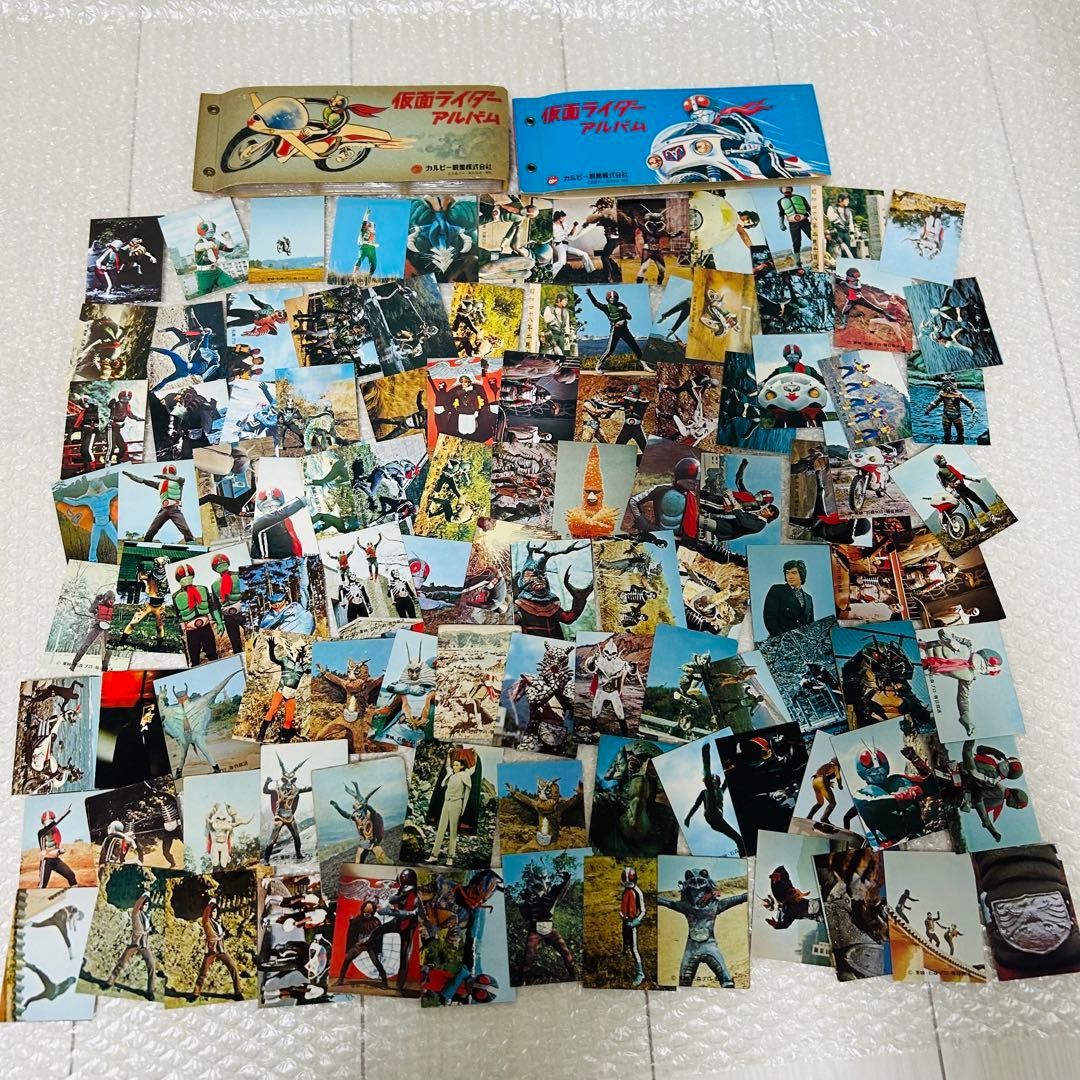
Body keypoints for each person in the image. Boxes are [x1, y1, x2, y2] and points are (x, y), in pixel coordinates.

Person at [658, 867, 747, 988]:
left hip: (705, 948)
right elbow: (666, 902)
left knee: (725, 980)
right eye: (693, 889)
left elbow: (740, 898)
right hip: (695, 949)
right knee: (685, 984)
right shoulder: (687, 906)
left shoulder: (714, 905)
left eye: (701, 888)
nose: (697, 892)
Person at [683, 742, 745, 856]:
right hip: (711, 815)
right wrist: (688, 818)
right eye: (713, 781)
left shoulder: (720, 790)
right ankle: (705, 753)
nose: (714, 783)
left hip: (718, 820)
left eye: (716, 781)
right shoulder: (706, 792)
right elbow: (696, 805)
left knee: (739, 839)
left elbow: (728, 780)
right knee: (709, 788)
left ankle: (744, 856)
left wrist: (735, 763)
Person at [426, 748, 477, 866]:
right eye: (454, 765)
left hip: (456, 804)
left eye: (457, 765)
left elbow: (473, 768)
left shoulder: (465, 774)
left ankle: (450, 858)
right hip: (447, 803)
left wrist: (474, 754)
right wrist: (449, 754)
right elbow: (447, 766)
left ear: (462, 767)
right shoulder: (450, 774)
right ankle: (434, 856)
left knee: (453, 831)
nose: (454, 767)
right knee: (441, 829)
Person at [123, 465, 195, 543]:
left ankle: (191, 543)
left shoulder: (179, 482)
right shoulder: (160, 484)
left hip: (175, 509)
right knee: (151, 530)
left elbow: (179, 479)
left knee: (185, 529)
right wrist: (132, 476)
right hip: (163, 509)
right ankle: (146, 545)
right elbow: (144, 481)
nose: (168, 475)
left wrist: (165, 476)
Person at [192, 897, 243, 1000]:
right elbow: (206, 914)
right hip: (211, 950)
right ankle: (195, 994)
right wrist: (211, 903)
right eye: (211, 911)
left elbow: (221, 934)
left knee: (233, 967)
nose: (213, 913)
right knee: (203, 972)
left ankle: (238, 993)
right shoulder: (206, 922)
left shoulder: (219, 922)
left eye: (214, 911)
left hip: (221, 949)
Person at [59, 477, 118, 563]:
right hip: (97, 525)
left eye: (97, 481)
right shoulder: (90, 498)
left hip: (108, 524)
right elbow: (75, 502)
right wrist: (62, 498)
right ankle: (92, 561)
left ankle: (122, 559)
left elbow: (118, 490)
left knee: (116, 541)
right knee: (93, 545)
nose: (96, 484)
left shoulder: (108, 493)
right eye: (93, 482)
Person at [934, 452, 994, 531]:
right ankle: (979, 526)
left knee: (979, 500)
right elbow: (944, 485)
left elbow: (960, 475)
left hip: (963, 487)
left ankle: (992, 517)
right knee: (969, 506)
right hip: (957, 491)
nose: (943, 459)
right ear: (938, 462)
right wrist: (953, 493)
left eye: (943, 457)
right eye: (941, 459)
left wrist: (973, 479)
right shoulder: (939, 473)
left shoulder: (949, 467)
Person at [585, 288, 643, 369]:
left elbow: (629, 317)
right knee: (610, 350)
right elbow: (596, 303)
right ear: (608, 299)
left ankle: (645, 365)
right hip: (615, 330)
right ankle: (598, 365)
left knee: (635, 347)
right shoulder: (606, 307)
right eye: (611, 298)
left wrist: (624, 311)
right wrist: (589, 293)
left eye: (614, 298)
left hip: (625, 330)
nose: (613, 300)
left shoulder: (621, 306)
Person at [762, 559, 815, 638]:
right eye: (787, 573)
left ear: (801, 574)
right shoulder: (777, 590)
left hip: (802, 642)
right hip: (780, 640)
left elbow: (811, 625)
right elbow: (769, 618)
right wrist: (782, 639)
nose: (790, 576)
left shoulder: (809, 599)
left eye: (794, 573)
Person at [192, 219, 238, 294]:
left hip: (216, 271)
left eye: (212, 232)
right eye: (209, 232)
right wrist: (205, 245)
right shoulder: (200, 243)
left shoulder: (216, 241)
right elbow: (197, 247)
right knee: (204, 294)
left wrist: (228, 238)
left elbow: (229, 249)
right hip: (204, 274)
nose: (211, 233)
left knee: (231, 285)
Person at [619, 865, 646, 986]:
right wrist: (622, 914)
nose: (627, 884)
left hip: (633, 923)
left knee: (634, 948)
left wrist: (635, 921)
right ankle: (625, 965)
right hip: (625, 922)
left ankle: (640, 973)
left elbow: (643, 911)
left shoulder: (637, 892)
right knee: (626, 944)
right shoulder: (625, 890)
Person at [37, 807, 77, 887]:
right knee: (42, 885)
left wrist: (59, 851)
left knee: (71, 875)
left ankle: (75, 891)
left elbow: (55, 848)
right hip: (46, 861)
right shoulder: (41, 833)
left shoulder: (55, 832)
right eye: (47, 821)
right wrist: (63, 814)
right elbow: (45, 852)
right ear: (43, 822)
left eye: (51, 820)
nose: (49, 822)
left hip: (55, 860)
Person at [551, 211, 594, 278]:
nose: (564, 219)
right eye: (563, 217)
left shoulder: (564, 224)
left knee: (584, 254)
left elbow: (570, 234)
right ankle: (550, 274)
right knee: (562, 262)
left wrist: (574, 226)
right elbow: (555, 237)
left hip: (565, 245)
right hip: (559, 245)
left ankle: (591, 271)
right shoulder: (553, 227)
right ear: (560, 218)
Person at [777, 186, 812, 267]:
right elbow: (781, 213)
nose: (786, 187)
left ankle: (822, 251)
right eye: (784, 186)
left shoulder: (800, 197)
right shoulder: (780, 201)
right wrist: (781, 224)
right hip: (793, 224)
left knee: (813, 236)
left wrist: (814, 218)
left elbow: (808, 208)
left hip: (804, 221)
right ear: (781, 190)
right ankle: (798, 260)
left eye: (788, 185)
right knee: (796, 242)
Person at [825, 192, 857, 259]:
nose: (848, 202)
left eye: (848, 200)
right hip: (836, 232)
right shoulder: (832, 208)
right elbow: (830, 219)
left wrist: (851, 233)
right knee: (837, 252)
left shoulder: (848, 211)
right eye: (846, 200)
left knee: (847, 251)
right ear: (840, 200)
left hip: (846, 233)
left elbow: (850, 222)